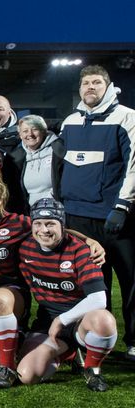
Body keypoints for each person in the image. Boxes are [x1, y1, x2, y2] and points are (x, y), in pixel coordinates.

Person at [0, 167, 103, 388]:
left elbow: (57, 229)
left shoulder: (18, 223)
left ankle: (7, 366)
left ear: (1, 199)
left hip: (10, 298)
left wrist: (89, 241)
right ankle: (29, 345)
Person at [59, 65, 135, 360]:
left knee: (130, 281)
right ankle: (93, 339)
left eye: (97, 82)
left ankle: (133, 340)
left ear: (109, 86)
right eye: (86, 83)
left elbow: (133, 165)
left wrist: (123, 205)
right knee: (91, 285)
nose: (90, 87)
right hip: (78, 217)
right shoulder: (70, 120)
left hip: (116, 217)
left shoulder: (127, 117)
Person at [16, 198, 116, 392]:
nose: (44, 230)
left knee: (104, 320)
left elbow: (98, 299)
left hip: (80, 321)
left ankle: (92, 369)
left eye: (51, 224)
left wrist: (62, 320)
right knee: (27, 375)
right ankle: (69, 353)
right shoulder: (25, 247)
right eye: (38, 224)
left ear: (62, 225)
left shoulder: (82, 250)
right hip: (47, 321)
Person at [7, 115, 64, 214]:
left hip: (56, 211)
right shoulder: (16, 157)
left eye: (35, 129)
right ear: (20, 135)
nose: (30, 134)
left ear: (43, 131)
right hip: (30, 212)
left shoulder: (58, 150)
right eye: (25, 131)